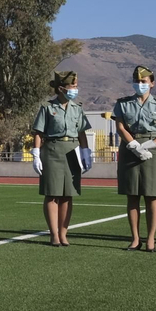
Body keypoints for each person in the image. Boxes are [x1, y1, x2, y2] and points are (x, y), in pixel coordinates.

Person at [111, 65, 156, 252]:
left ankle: (151, 239)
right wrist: (134, 145)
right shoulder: (123, 104)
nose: (140, 84)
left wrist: (148, 145)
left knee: (151, 196)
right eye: (136, 81)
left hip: (153, 150)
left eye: (143, 82)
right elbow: (121, 128)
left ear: (152, 83)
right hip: (130, 147)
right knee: (132, 195)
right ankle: (135, 239)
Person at [31, 71, 92, 247]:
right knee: (52, 195)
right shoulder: (47, 107)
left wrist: (86, 152)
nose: (75, 89)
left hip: (72, 150)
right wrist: (36, 153)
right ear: (61, 88)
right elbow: (39, 132)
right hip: (52, 150)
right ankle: (54, 234)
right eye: (72, 86)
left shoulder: (77, 108)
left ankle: (64, 233)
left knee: (68, 195)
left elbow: (81, 132)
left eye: (75, 86)